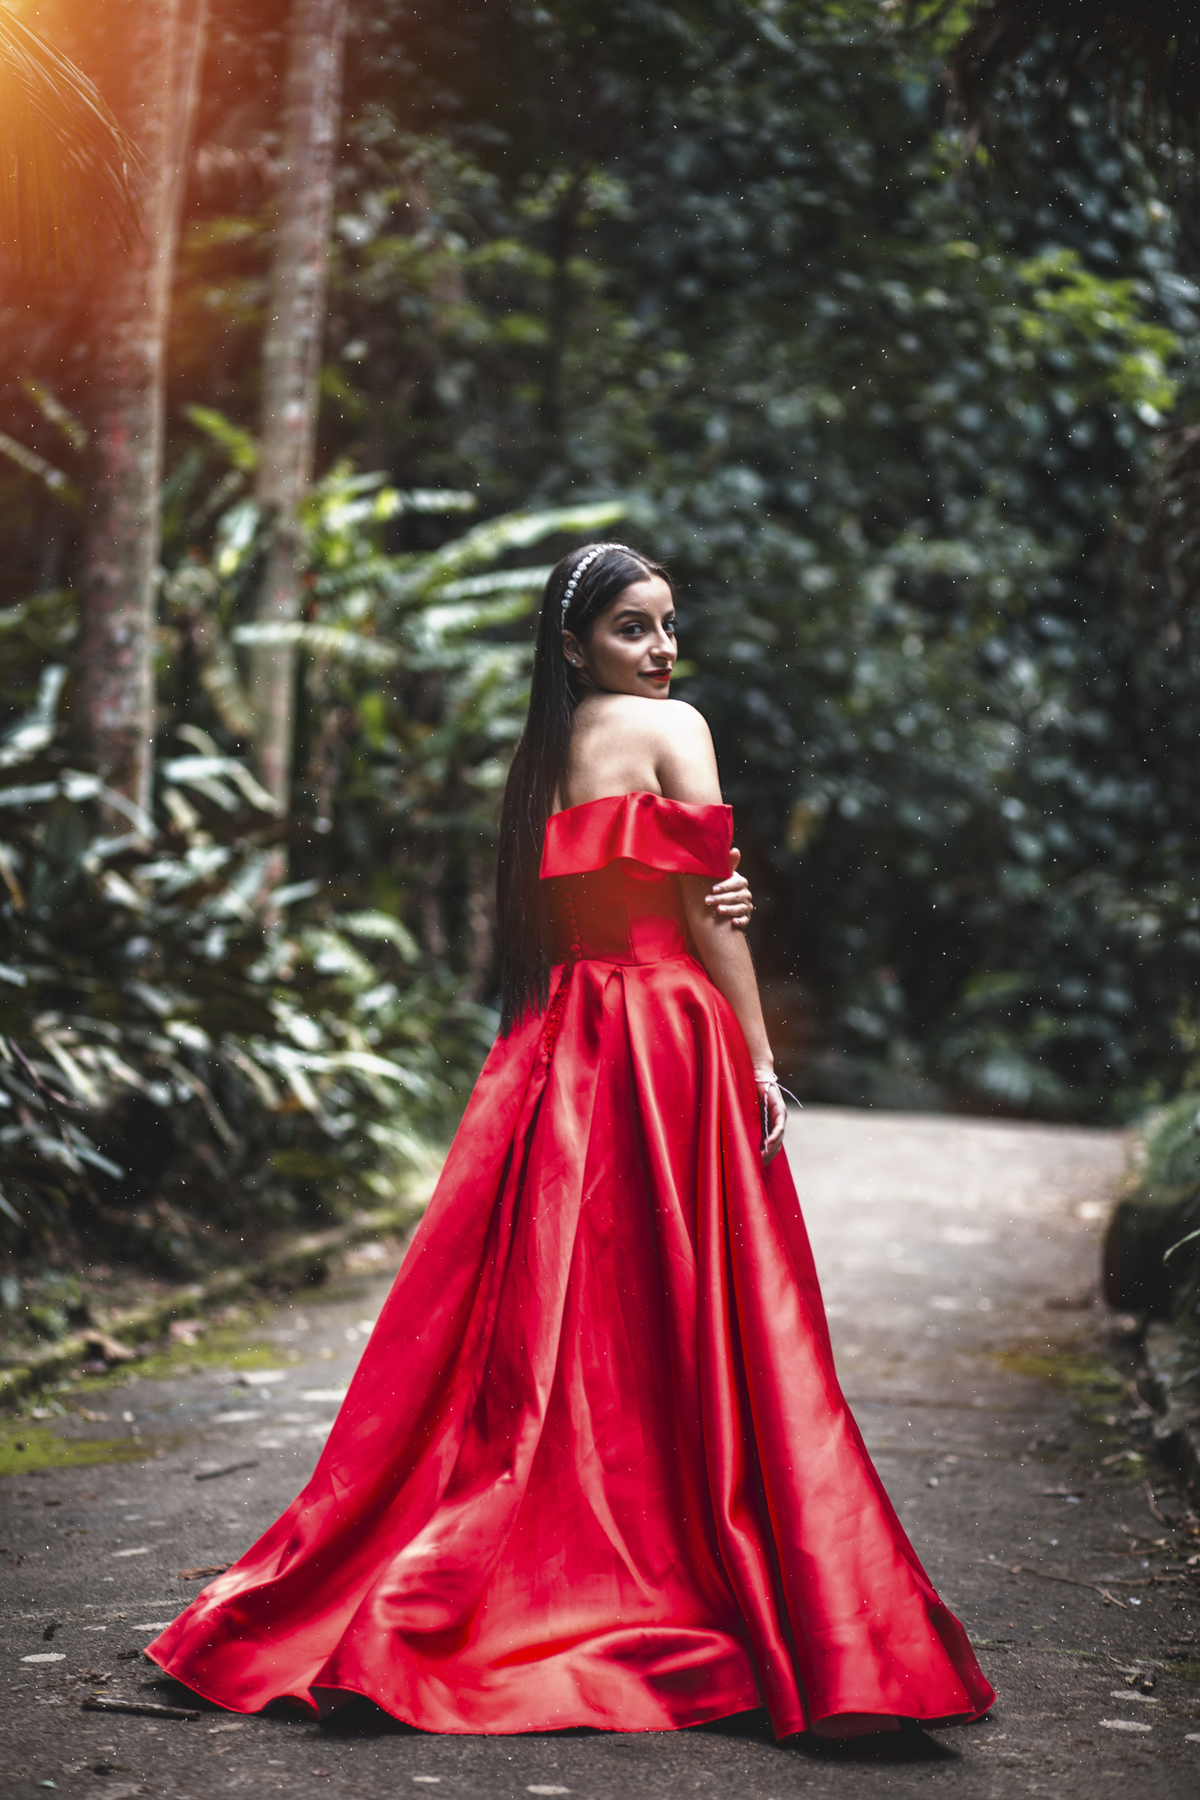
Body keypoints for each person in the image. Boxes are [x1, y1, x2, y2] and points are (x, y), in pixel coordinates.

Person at [148, 542, 994, 1741]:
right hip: (662, 1040)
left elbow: (601, 907)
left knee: (551, 1317)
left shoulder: (539, 758)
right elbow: (705, 913)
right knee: (694, 1310)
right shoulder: (676, 730)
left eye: (666, 628)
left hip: (561, 1044)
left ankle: (506, 1567)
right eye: (634, 630)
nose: (662, 651)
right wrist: (757, 1053)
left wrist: (709, 897)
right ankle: (694, 1570)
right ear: (575, 642)